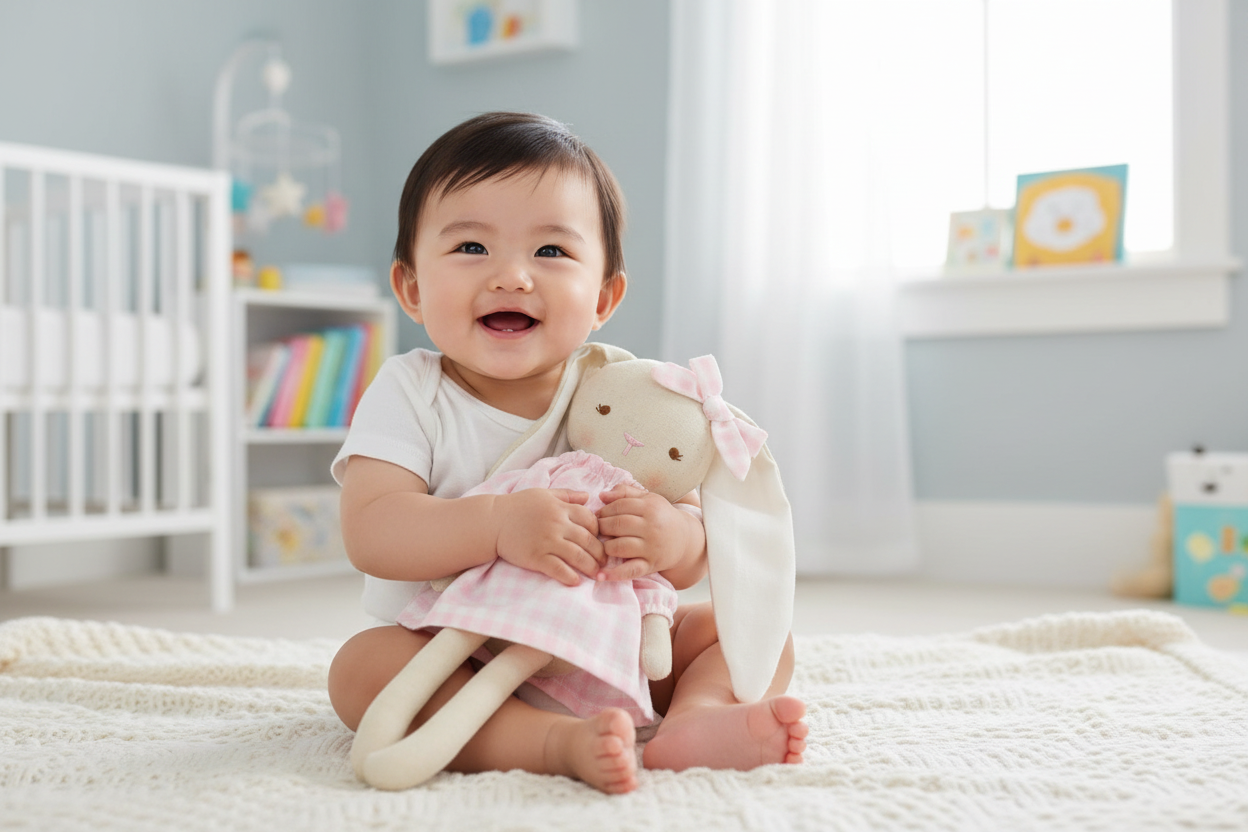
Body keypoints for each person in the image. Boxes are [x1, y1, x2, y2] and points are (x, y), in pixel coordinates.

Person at [326, 112, 808, 795]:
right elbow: (373, 531)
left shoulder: (620, 391)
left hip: (610, 643)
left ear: (605, 295)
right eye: (471, 247)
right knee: (361, 669)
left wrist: (669, 536)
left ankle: (694, 722)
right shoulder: (410, 392)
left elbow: (703, 546)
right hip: (453, 649)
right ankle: (549, 742)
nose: (514, 277)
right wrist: (498, 526)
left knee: (753, 634)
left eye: (551, 252)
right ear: (410, 288)